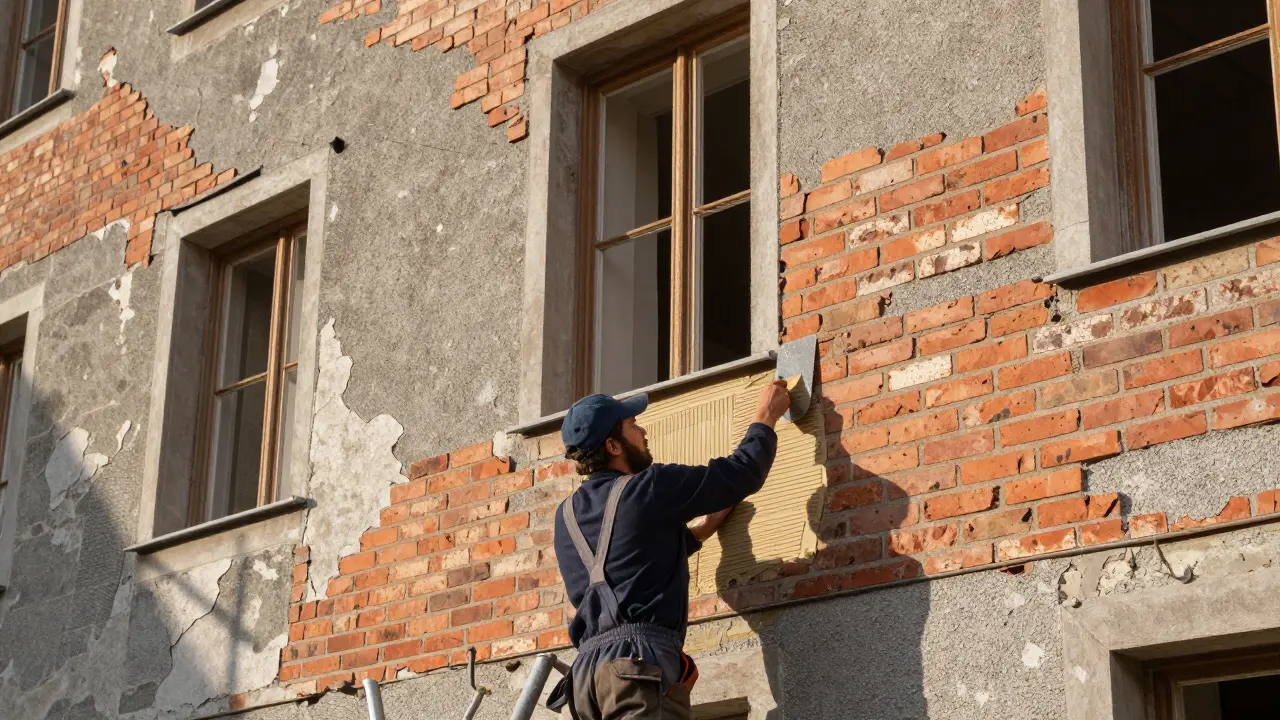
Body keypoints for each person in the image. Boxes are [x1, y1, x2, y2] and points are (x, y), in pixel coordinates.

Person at [546, 379, 791, 719]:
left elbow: (628, 561)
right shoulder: (649, 487)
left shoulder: (566, 515)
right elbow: (742, 473)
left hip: (587, 677)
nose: (643, 431)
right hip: (634, 664)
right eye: (633, 426)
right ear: (614, 445)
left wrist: (700, 533)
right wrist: (765, 417)